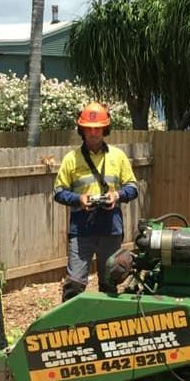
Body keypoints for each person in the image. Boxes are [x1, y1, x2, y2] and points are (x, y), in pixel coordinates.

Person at [53, 102, 138, 301]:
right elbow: (58, 192)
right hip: (81, 230)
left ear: (105, 129)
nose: (93, 134)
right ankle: (70, 326)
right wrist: (79, 199)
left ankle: (106, 326)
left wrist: (117, 195)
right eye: (89, 129)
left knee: (109, 281)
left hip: (111, 228)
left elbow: (133, 188)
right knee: (74, 283)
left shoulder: (118, 156)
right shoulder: (71, 159)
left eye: (98, 129)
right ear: (82, 130)